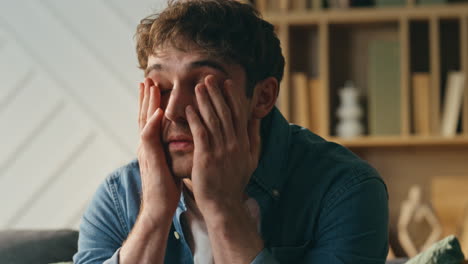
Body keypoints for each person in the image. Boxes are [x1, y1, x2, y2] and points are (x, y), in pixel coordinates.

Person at [73, 0, 389, 263]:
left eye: (200, 85)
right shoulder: (118, 197)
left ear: (263, 97)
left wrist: (223, 206)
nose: (172, 111)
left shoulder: (344, 189)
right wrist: (155, 212)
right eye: (164, 87)